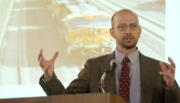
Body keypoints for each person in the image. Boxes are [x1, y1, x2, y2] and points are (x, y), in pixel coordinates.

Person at [38, 9, 180, 103]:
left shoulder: (160, 69)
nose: (128, 31)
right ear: (112, 32)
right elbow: (66, 99)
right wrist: (49, 77)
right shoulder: (93, 67)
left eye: (133, 26)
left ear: (139, 31)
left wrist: (170, 87)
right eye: (122, 27)